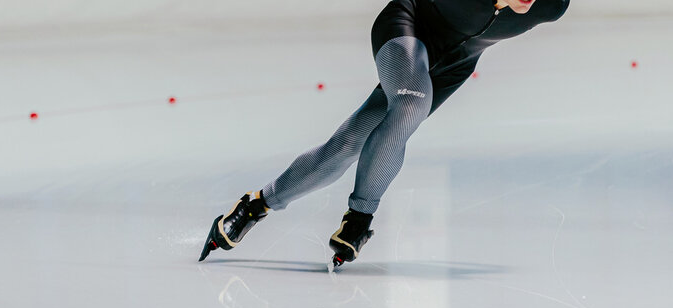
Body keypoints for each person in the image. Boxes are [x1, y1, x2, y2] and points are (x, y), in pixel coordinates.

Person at [199, 0, 570, 267]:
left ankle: (255, 205)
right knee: (410, 104)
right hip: (407, 31)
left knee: (348, 144)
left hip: (453, 66)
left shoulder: (552, 5)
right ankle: (359, 219)